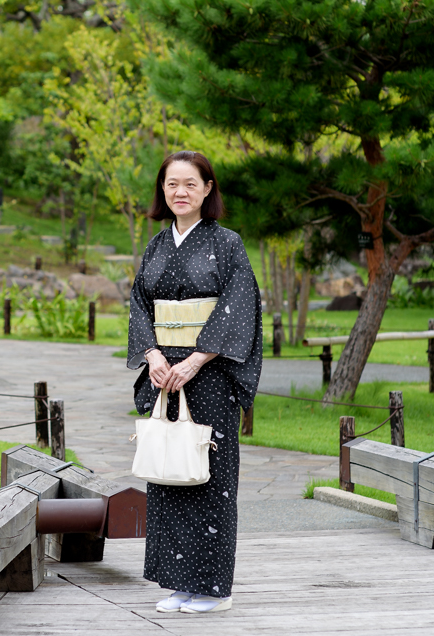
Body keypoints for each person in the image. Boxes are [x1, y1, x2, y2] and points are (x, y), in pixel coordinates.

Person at [127, 150, 263, 615]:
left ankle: (214, 590)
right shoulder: (155, 245)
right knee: (169, 472)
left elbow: (239, 306)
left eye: (190, 184)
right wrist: (152, 355)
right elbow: (139, 304)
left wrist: (197, 360)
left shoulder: (227, 244)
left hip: (209, 374)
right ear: (162, 192)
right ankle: (178, 583)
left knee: (209, 477)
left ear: (208, 189)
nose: (180, 192)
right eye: (171, 184)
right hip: (164, 372)